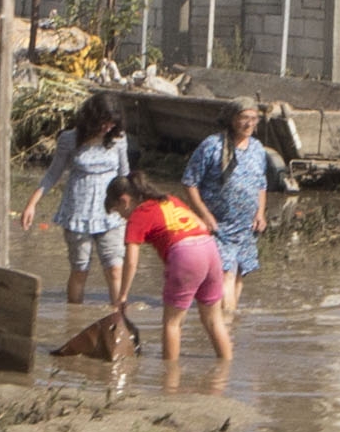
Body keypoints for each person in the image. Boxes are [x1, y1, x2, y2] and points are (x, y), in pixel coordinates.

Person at [107, 173, 233, 376]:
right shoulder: (169, 200)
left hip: (185, 255)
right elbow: (201, 226)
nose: (122, 217)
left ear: (125, 200)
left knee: (172, 323)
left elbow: (131, 261)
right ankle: (226, 373)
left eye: (119, 211)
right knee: (214, 320)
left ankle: (169, 380)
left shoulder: (138, 215)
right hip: (210, 250)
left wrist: (122, 295)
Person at [17, 92, 129, 305]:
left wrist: (133, 210)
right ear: (92, 118)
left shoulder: (119, 140)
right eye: (103, 123)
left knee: (115, 269)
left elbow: (125, 176)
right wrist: (32, 204)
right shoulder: (69, 139)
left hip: (111, 214)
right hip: (78, 213)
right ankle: (74, 320)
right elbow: (52, 174)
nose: (107, 128)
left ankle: (119, 322)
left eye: (112, 124)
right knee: (80, 271)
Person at [184, 101, 280, 312]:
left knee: (238, 275)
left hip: (246, 226)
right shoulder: (212, 145)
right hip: (218, 225)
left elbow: (261, 185)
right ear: (232, 118)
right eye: (244, 117)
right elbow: (190, 183)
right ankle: (224, 323)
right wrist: (205, 215)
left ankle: (230, 321)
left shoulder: (256, 148)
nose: (249, 123)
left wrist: (260, 213)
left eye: (254, 119)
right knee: (224, 273)